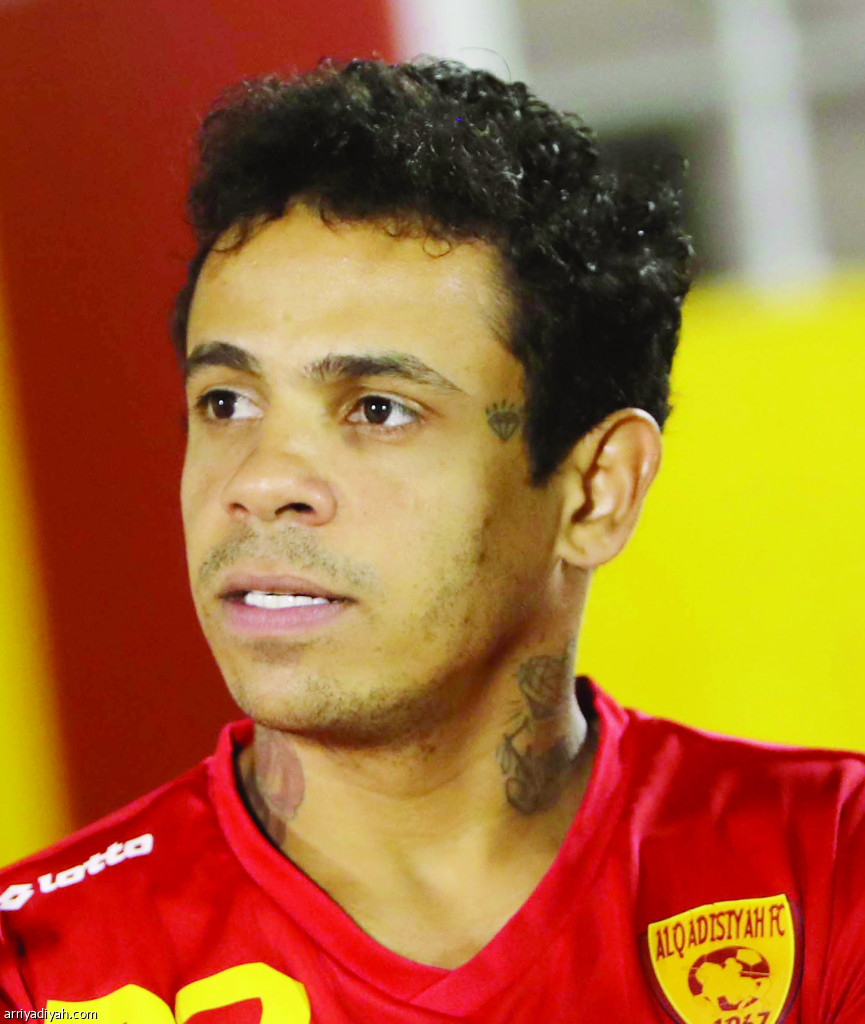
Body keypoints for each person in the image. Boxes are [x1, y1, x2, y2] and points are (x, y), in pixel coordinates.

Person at [0, 58, 862, 1023]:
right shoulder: (36, 972)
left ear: (595, 492)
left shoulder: (830, 864)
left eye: (378, 408)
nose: (260, 483)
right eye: (227, 403)